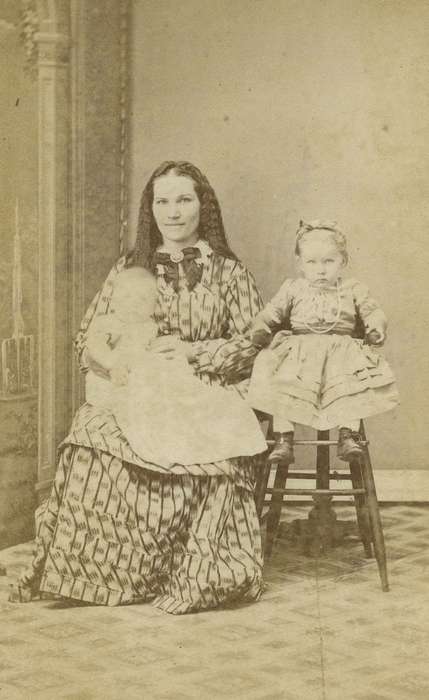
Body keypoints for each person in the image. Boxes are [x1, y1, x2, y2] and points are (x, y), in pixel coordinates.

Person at [10, 161, 266, 613]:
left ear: (202, 206)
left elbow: (254, 346)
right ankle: (93, 576)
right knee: (90, 441)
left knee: (210, 460)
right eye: (162, 201)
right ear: (150, 209)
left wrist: (194, 354)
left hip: (203, 388)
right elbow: (86, 338)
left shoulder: (229, 273)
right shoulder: (127, 268)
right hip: (133, 390)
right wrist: (118, 365)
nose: (173, 211)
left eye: (184, 199)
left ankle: (180, 574)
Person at [247, 219, 399, 464]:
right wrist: (262, 326)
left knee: (353, 387)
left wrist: (375, 327)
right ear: (300, 263)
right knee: (278, 381)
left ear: (343, 262)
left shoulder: (352, 288)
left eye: (329, 261)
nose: (320, 269)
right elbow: (270, 313)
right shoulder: (293, 288)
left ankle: (348, 434)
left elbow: (373, 311)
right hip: (299, 354)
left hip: (341, 354)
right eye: (312, 262)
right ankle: (283, 437)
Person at [85, 266, 267, 467]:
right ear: (112, 300)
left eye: (142, 300)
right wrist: (112, 364)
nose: (133, 305)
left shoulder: (149, 326)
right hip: (115, 379)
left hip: (155, 378)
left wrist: (187, 353)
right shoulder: (110, 323)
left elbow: (253, 342)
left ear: (154, 305)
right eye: (126, 298)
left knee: (186, 401)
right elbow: (94, 345)